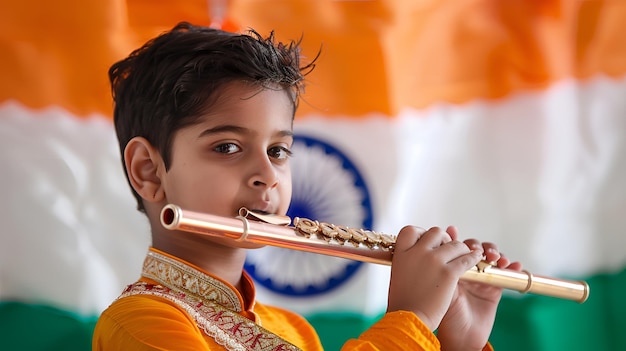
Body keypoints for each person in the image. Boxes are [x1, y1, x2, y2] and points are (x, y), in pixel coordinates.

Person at [92, 21, 521, 351]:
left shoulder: (292, 330)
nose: (267, 173)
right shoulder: (138, 323)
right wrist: (413, 317)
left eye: (278, 151)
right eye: (227, 146)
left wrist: (456, 341)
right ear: (149, 170)